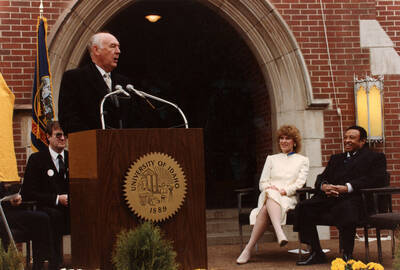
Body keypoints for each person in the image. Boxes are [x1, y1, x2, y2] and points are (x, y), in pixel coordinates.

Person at [295, 125, 387, 266]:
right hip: (331, 198)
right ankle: (316, 252)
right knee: (303, 207)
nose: (347, 140)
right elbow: (321, 177)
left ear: (362, 141)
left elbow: (376, 179)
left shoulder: (375, 157)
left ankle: (346, 255)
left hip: (357, 199)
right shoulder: (336, 158)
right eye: (345, 137)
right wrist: (324, 186)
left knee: (346, 208)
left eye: (352, 138)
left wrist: (347, 188)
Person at [58, 32, 159, 135]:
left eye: (118, 47)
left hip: (124, 146)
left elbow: (136, 118)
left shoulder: (125, 83)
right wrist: (95, 138)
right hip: (90, 146)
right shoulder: (75, 78)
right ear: (96, 50)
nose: (118, 51)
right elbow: (68, 118)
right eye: (113, 46)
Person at [236, 125, 309, 264]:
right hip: (268, 195)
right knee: (270, 193)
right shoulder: (271, 159)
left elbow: (300, 183)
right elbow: (262, 182)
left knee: (264, 209)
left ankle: (247, 249)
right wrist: (270, 188)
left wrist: (284, 191)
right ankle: (279, 231)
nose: (284, 141)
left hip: (288, 198)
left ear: (295, 142)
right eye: (281, 138)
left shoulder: (303, 160)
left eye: (288, 138)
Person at [21, 121, 70, 269]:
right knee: (52, 217)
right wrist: (56, 199)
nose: (62, 139)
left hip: (70, 208)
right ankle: (53, 264)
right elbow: (28, 192)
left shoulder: (74, 158)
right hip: (46, 208)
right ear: (48, 137)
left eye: (65, 135)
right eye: (58, 135)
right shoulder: (37, 160)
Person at [0, 182, 57, 270]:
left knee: (41, 218)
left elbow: (2, 194)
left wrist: (12, 198)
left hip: (5, 211)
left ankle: (41, 264)